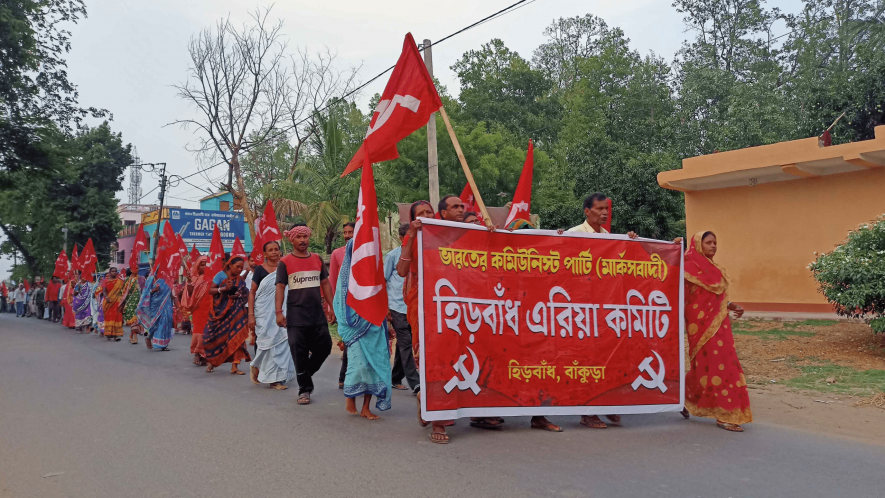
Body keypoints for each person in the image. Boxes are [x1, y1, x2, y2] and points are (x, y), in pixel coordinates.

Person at [561, 192, 636, 429]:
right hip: (579, 312)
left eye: (606, 209)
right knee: (585, 362)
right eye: (599, 209)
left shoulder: (611, 239)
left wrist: (632, 241)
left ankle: (607, 405)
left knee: (607, 359)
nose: (604, 213)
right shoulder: (574, 235)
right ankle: (588, 411)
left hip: (604, 312)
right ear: (587, 212)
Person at [398, 200, 455, 444]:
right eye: (419, 214)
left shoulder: (448, 235)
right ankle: (438, 420)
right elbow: (402, 271)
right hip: (421, 303)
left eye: (428, 212)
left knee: (451, 356)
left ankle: (429, 402)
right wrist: (412, 234)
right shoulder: (411, 238)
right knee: (431, 357)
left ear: (437, 214)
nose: (425, 216)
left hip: (450, 301)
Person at [682, 231, 752, 432]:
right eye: (708, 242)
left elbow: (715, 296)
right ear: (698, 245)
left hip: (720, 325)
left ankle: (685, 399)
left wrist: (730, 305)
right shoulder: (688, 268)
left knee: (724, 365)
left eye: (715, 243)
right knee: (711, 366)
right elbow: (684, 298)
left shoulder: (714, 269)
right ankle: (724, 414)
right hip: (700, 326)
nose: (713, 246)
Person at [275, 224, 335, 405]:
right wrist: (279, 312)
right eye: (299, 237)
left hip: (317, 314)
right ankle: (304, 389)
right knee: (298, 351)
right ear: (291, 239)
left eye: (305, 236)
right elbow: (280, 288)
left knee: (325, 346)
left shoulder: (317, 259)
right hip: (296, 315)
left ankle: (304, 374)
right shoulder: (284, 262)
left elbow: (325, 284)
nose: (303, 240)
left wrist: (333, 308)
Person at [334, 238, 392, 420]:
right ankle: (350, 396)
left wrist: (387, 324)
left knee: (375, 366)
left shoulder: (375, 274)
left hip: (375, 326)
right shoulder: (346, 278)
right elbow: (340, 305)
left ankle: (366, 407)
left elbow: (381, 299)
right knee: (358, 366)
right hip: (355, 328)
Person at [248, 240, 295, 389]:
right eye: (270, 250)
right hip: (263, 312)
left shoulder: (285, 267)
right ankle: (259, 366)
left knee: (282, 343)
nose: (274, 252)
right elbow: (252, 292)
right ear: (265, 254)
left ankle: (275, 378)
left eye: (276, 249)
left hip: (282, 311)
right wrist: (250, 315)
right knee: (266, 344)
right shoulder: (260, 270)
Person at [385, 223, 420, 393]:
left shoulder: (420, 254)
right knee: (406, 343)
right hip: (396, 305)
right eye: (409, 235)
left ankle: (395, 377)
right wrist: (386, 308)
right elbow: (382, 280)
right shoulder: (393, 256)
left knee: (406, 342)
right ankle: (416, 383)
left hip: (413, 306)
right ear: (401, 238)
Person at [202, 256, 251, 374]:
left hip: (236, 312)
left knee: (237, 336)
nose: (239, 269)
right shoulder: (220, 275)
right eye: (237, 267)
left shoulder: (240, 279)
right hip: (220, 313)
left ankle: (235, 366)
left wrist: (239, 294)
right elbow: (211, 291)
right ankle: (212, 362)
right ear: (230, 265)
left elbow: (245, 292)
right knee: (214, 337)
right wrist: (224, 289)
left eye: (241, 267)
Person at [328, 222, 355, 389]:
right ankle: (344, 376)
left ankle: (348, 377)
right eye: (345, 232)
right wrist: (331, 307)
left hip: (362, 303)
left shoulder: (364, 252)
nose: (347, 235)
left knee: (356, 341)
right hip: (343, 304)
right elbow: (332, 280)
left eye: (350, 232)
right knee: (349, 339)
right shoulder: (337, 254)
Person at [136, 273, 174, 351]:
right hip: (155, 304)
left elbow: (171, 292)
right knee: (155, 323)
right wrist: (154, 290)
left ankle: (162, 344)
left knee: (165, 322)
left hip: (166, 303)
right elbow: (145, 292)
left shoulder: (167, 278)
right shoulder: (151, 279)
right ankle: (149, 337)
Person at [184, 256, 211, 365]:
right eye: (202, 264)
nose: (204, 267)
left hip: (210, 308)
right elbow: (190, 294)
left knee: (208, 331)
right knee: (199, 331)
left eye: (206, 264)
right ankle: (197, 353)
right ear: (197, 266)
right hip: (198, 309)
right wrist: (190, 282)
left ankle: (206, 354)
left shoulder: (212, 278)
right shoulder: (194, 278)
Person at [101, 267, 125, 341]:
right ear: (110, 272)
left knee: (117, 317)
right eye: (112, 271)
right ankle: (108, 334)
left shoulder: (120, 282)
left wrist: (123, 302)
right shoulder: (105, 281)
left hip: (117, 302)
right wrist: (107, 297)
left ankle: (116, 335)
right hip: (108, 302)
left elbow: (123, 292)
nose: (114, 272)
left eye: (115, 271)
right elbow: (104, 291)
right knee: (109, 317)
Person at [120, 269, 142, 344]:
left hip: (139, 303)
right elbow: (123, 292)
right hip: (129, 303)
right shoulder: (127, 280)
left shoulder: (141, 279)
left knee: (136, 321)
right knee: (133, 321)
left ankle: (133, 336)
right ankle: (134, 336)